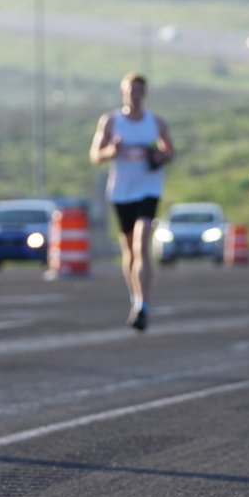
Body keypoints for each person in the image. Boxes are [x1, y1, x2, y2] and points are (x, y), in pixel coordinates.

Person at [89, 72, 175, 330]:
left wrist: (160, 157)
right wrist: (110, 151)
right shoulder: (111, 121)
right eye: (129, 90)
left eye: (138, 90)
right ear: (123, 92)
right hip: (121, 192)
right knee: (129, 251)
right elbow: (95, 155)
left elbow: (170, 151)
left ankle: (143, 305)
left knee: (141, 243)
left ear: (144, 93)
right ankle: (135, 297)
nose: (134, 95)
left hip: (148, 189)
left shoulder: (156, 122)